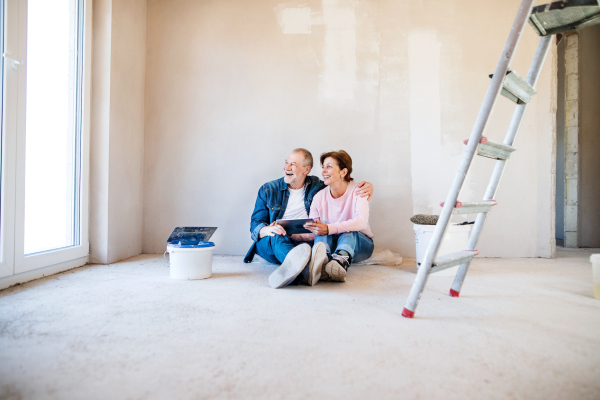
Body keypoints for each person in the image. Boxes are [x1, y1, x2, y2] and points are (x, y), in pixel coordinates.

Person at [244, 148, 373, 289]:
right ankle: (305, 270)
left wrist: (369, 187)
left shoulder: (317, 187)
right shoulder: (268, 189)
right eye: (286, 162)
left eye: (293, 164)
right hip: (273, 242)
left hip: (305, 244)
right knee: (277, 235)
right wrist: (268, 229)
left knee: (327, 231)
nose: (286, 167)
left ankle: (296, 271)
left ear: (307, 169)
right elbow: (255, 225)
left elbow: (340, 185)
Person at [304, 150, 374, 283]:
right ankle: (322, 260)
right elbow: (314, 228)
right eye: (323, 166)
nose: (324, 171)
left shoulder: (359, 191)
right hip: (332, 244)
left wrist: (329, 228)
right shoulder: (319, 197)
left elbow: (362, 222)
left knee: (349, 229)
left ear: (343, 172)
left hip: (359, 244)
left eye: (329, 166)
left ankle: (341, 261)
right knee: (320, 225)